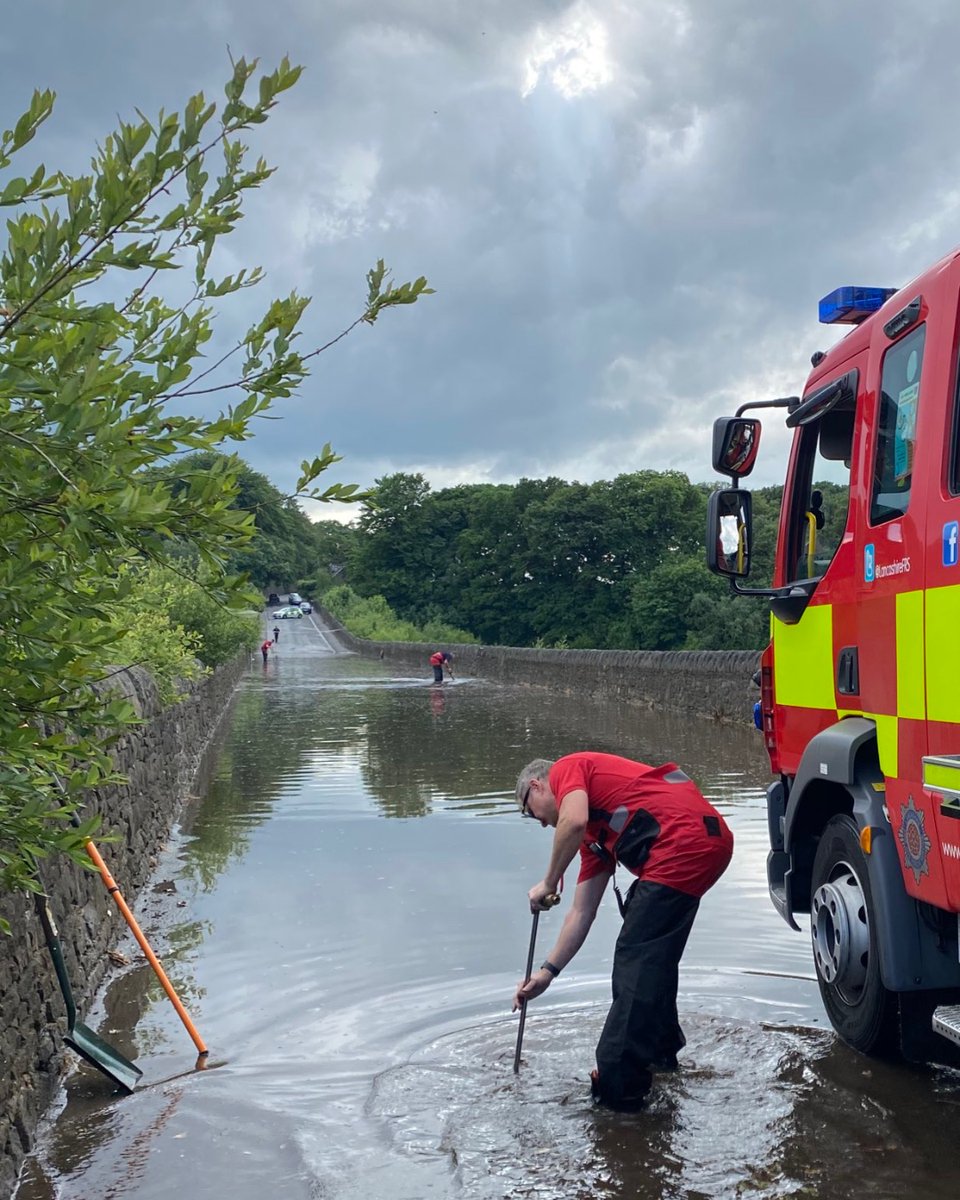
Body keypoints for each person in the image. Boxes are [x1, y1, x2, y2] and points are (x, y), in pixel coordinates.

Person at [512, 752, 733, 1111]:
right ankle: (661, 1059)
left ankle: (619, 1089)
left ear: (537, 785)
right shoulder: (593, 842)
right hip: (705, 843)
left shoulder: (567, 770)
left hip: (683, 843)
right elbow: (581, 913)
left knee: (635, 956)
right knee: (652, 958)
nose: (538, 823)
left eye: (529, 810)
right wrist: (546, 973)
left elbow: (572, 821)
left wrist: (548, 882)